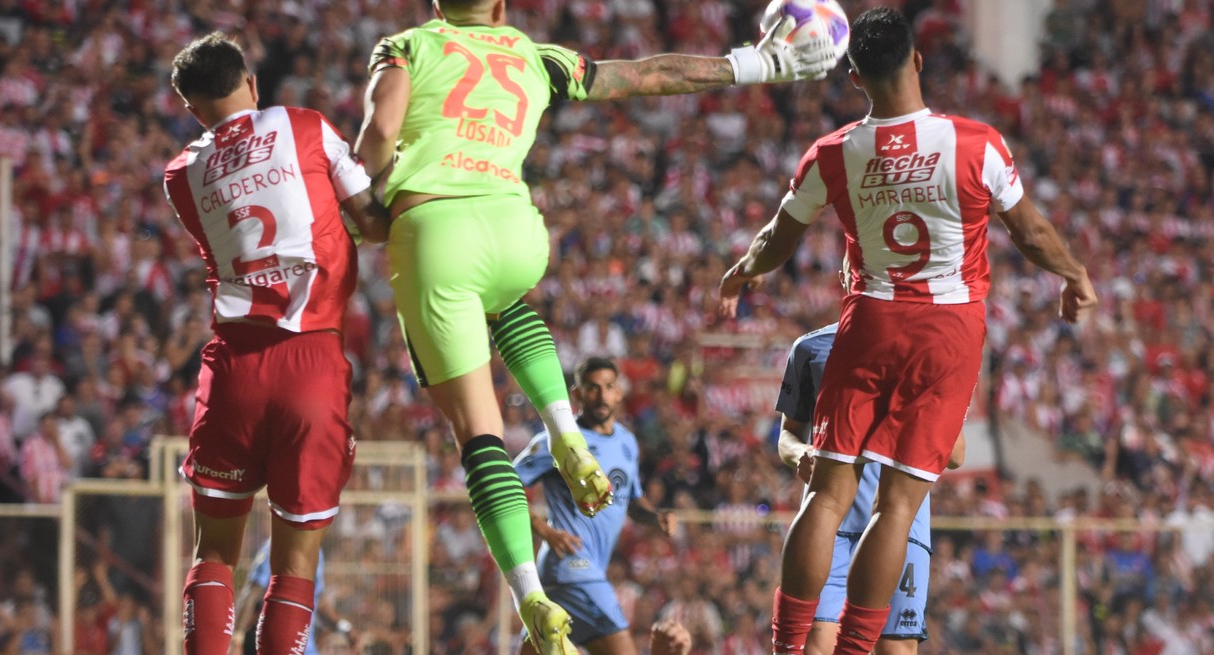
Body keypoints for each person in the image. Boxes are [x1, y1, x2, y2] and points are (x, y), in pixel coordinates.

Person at [356, 1, 838, 651]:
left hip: (435, 227)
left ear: (439, 5)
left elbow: (379, 133)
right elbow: (645, 75)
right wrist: (761, 63)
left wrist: (363, 195)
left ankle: (530, 595)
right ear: (498, 7)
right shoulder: (532, 53)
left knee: (480, 435)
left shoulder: (407, 46)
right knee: (504, 304)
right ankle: (564, 430)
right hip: (515, 229)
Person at [717, 8, 1095, 654]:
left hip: (869, 320)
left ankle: (785, 645)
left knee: (827, 494)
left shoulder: (834, 152)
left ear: (854, 77)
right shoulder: (977, 144)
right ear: (918, 61)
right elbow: (1030, 231)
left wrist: (743, 271)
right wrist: (1073, 274)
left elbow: (778, 236)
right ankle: (856, 648)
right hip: (948, 333)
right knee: (897, 505)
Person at [162, 33, 382, 655]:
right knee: (295, 564)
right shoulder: (305, 125)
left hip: (234, 367)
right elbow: (371, 220)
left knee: (214, 555)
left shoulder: (181, 174)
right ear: (252, 84)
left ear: (191, 108)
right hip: (312, 362)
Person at [777, 317, 965, 655]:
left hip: (900, 524)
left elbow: (956, 454)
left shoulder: (926, 348)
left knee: (894, 649)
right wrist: (800, 452)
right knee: (818, 645)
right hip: (830, 525)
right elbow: (787, 435)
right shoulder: (811, 348)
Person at [513, 357, 675, 655]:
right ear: (577, 394)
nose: (602, 396)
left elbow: (632, 500)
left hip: (570, 574)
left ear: (619, 392)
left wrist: (655, 517)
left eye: (609, 387)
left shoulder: (627, 441)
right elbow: (505, 485)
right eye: (592, 388)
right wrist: (545, 531)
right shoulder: (559, 440)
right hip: (574, 566)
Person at [231, 541, 355, 655]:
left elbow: (318, 601)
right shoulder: (275, 546)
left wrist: (344, 628)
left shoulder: (317, 551)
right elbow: (252, 593)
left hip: (306, 648)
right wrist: (237, 638)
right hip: (278, 646)